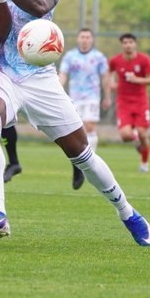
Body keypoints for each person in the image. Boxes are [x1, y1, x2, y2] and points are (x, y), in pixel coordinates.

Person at [0, 0, 150, 246]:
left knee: (81, 153)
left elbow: (40, 5)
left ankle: (127, 212)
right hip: (3, 73)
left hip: (41, 77)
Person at [58, 28, 110, 189]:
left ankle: (89, 162)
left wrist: (107, 96)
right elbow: (63, 75)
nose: (85, 40)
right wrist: (58, 90)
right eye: (82, 37)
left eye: (88, 37)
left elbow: (105, 77)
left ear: (92, 40)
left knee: (89, 126)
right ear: (78, 39)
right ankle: (79, 166)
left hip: (92, 96)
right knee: (76, 130)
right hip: (74, 97)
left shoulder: (99, 57)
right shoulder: (70, 56)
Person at [107, 33, 150, 173]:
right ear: (121, 45)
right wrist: (111, 82)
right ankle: (137, 141)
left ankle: (144, 162)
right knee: (125, 135)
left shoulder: (144, 60)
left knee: (142, 133)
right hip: (123, 102)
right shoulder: (115, 60)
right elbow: (108, 72)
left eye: (130, 42)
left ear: (135, 44)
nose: (128, 45)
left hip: (141, 101)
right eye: (125, 42)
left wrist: (137, 80)